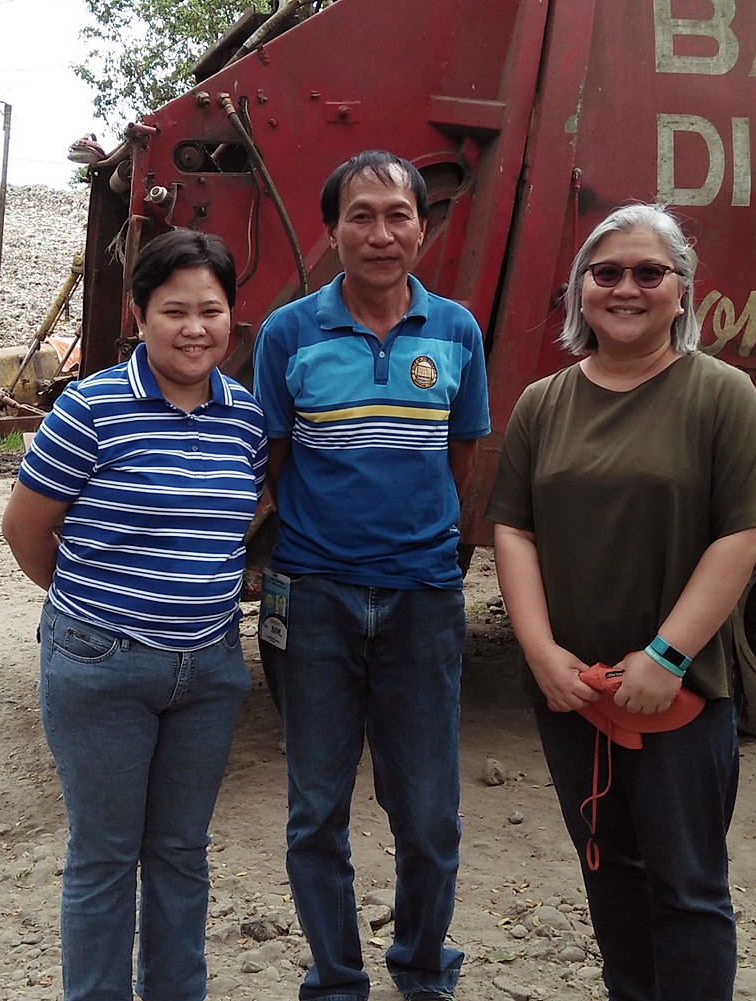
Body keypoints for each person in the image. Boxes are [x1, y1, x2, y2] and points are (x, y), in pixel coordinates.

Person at [486, 203, 756, 1000]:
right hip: (572, 693)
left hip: (681, 694)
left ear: (682, 291)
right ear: (581, 291)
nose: (627, 287)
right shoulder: (541, 403)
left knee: (687, 889)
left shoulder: (723, 395)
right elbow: (513, 531)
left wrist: (666, 655)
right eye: (607, 271)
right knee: (610, 880)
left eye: (648, 272)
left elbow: (747, 533)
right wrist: (541, 653)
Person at [1, 229, 266, 1001]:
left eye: (210, 311)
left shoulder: (243, 418)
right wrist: (87, 613)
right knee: (106, 855)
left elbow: (235, 521)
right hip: (100, 668)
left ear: (230, 319)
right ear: (140, 315)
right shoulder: (90, 408)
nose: (194, 328)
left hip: (210, 669)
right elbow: (24, 528)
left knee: (182, 852)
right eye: (174, 309)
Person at [252, 149, 490, 1001]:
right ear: (333, 230)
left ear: (423, 228)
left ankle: (424, 968)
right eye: (362, 215)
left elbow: (459, 456)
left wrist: (409, 538)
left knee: (427, 813)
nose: (381, 232)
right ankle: (337, 977)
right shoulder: (288, 334)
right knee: (316, 809)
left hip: (424, 598)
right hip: (313, 598)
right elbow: (272, 464)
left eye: (398, 215)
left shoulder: (456, 331)